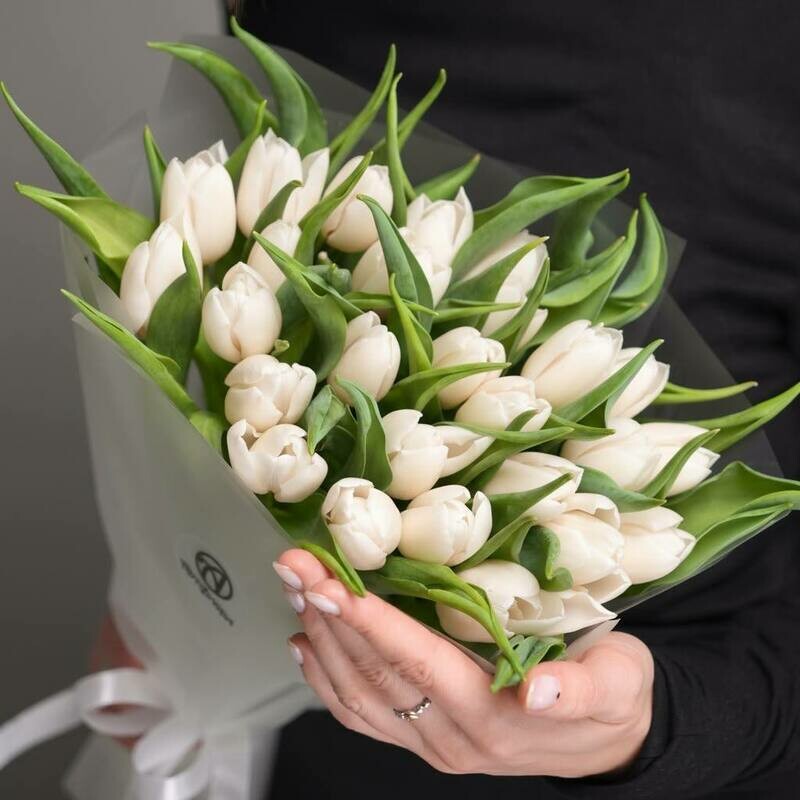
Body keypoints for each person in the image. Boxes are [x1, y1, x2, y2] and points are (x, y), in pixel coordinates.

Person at [95, 2, 800, 796]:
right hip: (288, 712)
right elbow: (247, 226)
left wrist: (659, 725)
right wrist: (173, 609)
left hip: (653, 730)